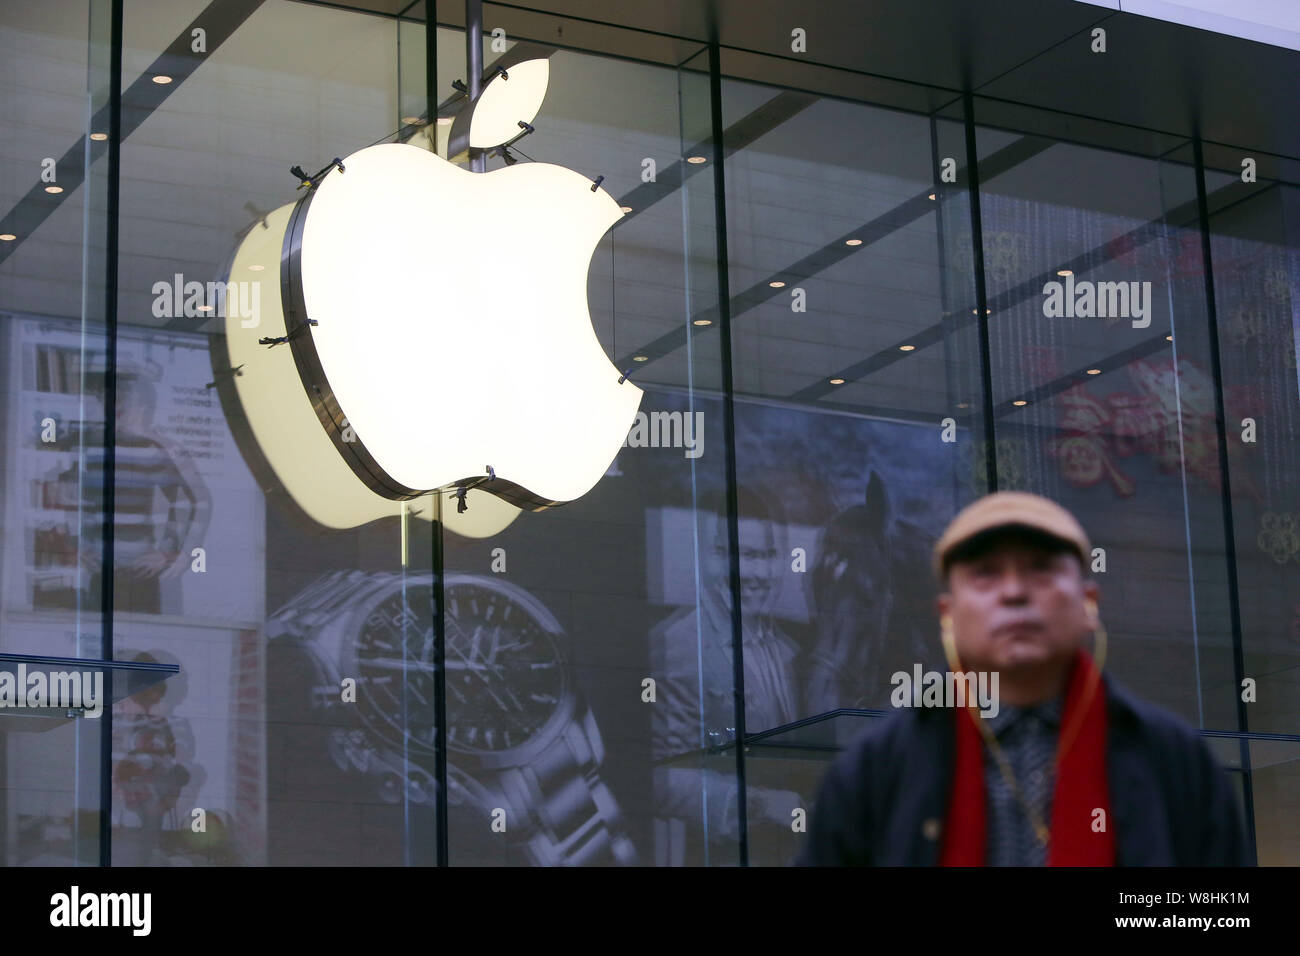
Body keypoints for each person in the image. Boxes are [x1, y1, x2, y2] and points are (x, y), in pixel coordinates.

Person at [796, 491, 1250, 866]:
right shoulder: (876, 768)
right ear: (946, 614)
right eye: (986, 574)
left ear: (1089, 601)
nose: (1014, 592)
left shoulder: (1174, 761)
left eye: (1041, 568)